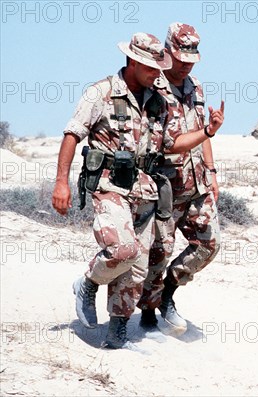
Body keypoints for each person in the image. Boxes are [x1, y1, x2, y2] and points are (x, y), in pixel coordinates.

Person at [52, 32, 223, 349]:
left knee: (139, 267)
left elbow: (173, 145)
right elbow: (72, 134)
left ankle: (117, 328)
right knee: (123, 251)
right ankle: (88, 283)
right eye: (150, 68)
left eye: (159, 69)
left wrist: (207, 132)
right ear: (132, 61)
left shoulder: (157, 101)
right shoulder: (100, 92)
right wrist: (61, 181)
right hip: (109, 184)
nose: (157, 75)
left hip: (145, 189)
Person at [137, 22, 223, 333]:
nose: (186, 66)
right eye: (181, 59)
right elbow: (168, 143)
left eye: (192, 61)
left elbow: (203, 133)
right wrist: (208, 131)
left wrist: (211, 171)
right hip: (165, 184)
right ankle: (147, 311)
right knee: (160, 251)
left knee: (208, 244)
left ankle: (168, 294)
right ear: (168, 52)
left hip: (197, 182)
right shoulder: (153, 87)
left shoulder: (195, 87)